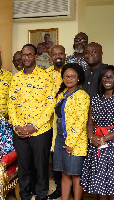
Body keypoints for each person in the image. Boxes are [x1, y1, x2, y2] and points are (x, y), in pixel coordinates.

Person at [8, 44, 55, 200]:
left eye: (29, 55)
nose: (26, 58)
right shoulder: (16, 78)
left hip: (40, 130)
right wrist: (16, 125)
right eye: (24, 55)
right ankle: (25, 195)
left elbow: (50, 105)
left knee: (40, 166)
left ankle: (41, 195)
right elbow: (11, 104)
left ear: (36, 57)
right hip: (19, 130)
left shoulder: (46, 76)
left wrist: (33, 127)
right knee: (24, 166)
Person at [80, 65, 114, 199]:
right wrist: (91, 137)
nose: (107, 79)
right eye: (104, 77)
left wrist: (105, 139)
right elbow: (90, 123)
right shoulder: (95, 99)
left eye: (111, 77)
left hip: (113, 146)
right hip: (96, 145)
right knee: (100, 186)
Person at [52, 63, 89, 200]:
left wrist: (71, 143)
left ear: (78, 78)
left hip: (75, 140)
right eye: (66, 76)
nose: (69, 79)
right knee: (64, 173)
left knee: (75, 174)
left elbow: (81, 121)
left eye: (73, 76)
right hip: (60, 137)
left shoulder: (82, 95)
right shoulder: (61, 95)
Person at [46, 44, 66, 199]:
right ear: (50, 56)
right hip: (47, 121)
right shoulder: (44, 74)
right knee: (55, 156)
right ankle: (59, 187)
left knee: (69, 154)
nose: (58, 56)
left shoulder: (71, 71)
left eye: (61, 53)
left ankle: (70, 188)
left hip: (67, 122)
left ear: (65, 55)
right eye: (55, 54)